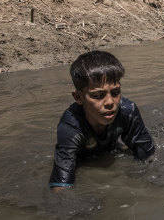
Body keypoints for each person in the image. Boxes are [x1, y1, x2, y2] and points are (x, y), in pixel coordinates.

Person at [49, 51, 155, 191]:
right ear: (78, 97)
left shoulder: (128, 111)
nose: (110, 102)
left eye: (116, 93)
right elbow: (60, 185)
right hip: (83, 160)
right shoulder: (71, 127)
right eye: (98, 95)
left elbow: (148, 156)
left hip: (111, 149)